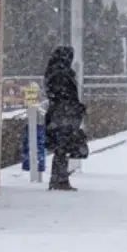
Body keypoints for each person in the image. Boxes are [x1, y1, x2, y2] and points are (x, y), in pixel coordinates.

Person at [44, 46, 86, 191]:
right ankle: (59, 179)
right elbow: (66, 94)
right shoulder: (62, 74)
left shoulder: (53, 72)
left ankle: (59, 178)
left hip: (59, 114)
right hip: (64, 114)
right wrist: (75, 107)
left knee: (62, 147)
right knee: (63, 147)